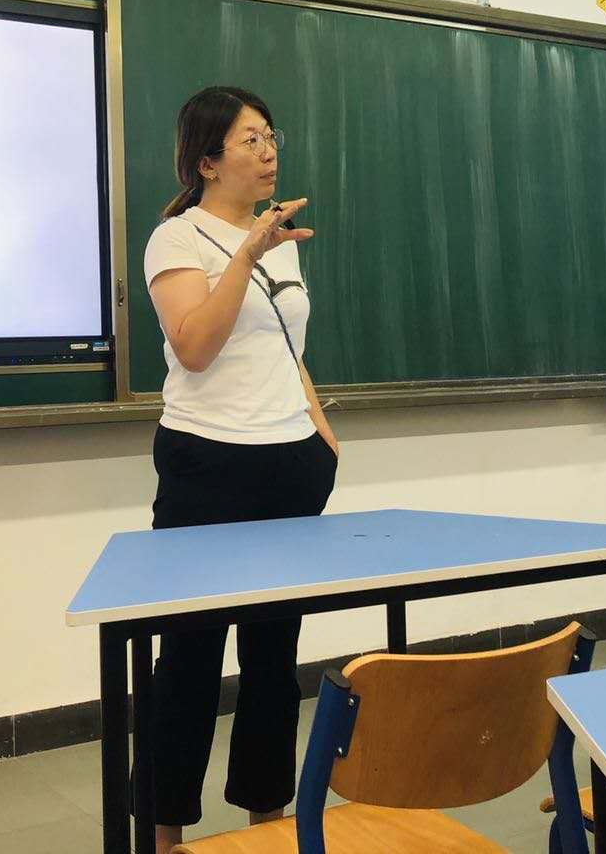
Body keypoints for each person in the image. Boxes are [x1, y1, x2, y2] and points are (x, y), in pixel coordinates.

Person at [139, 85, 339, 853]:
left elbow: (286, 349)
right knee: (189, 659)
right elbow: (194, 346)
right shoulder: (176, 239)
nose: (268, 152)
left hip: (291, 463)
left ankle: (267, 823)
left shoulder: (280, 241)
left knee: (273, 658)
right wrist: (247, 253)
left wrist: (322, 434)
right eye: (250, 140)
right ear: (207, 161)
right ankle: (165, 835)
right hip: (206, 464)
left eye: (270, 136)